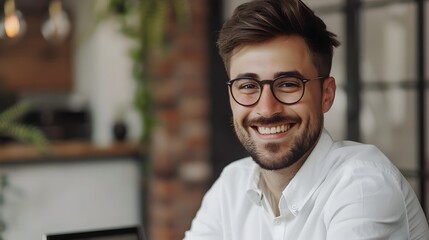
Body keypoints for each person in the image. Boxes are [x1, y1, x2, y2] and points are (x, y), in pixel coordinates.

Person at [185, 0, 429, 239]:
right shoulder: (232, 185)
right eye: (248, 86)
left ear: (326, 95)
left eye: (288, 84)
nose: (267, 109)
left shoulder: (365, 185)